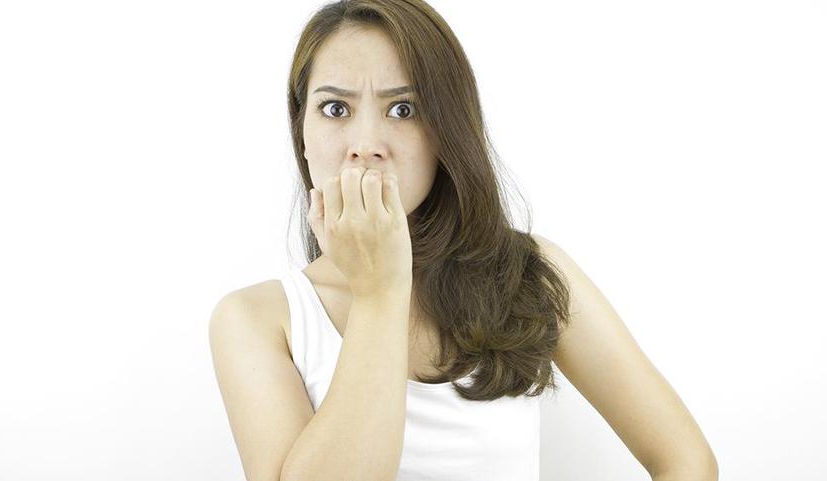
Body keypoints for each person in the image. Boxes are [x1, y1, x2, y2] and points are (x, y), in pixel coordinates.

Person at [209, 1, 717, 481]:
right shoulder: (256, 319)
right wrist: (379, 291)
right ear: (301, 132)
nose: (365, 146)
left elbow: (686, 461)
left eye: (403, 109)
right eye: (336, 109)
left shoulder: (528, 273)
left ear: (446, 131)